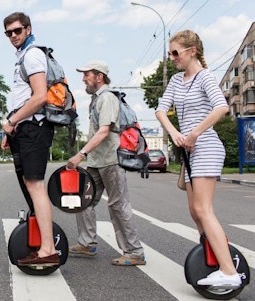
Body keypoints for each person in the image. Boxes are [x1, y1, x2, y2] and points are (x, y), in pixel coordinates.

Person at [156, 30, 241, 287]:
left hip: (205, 147)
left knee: (204, 209)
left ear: (192, 51)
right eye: (170, 53)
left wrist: (193, 134)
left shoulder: (205, 77)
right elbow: (160, 110)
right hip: (189, 150)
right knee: (195, 211)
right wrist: (175, 134)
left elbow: (222, 107)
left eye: (175, 53)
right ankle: (216, 253)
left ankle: (229, 272)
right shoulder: (176, 80)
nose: (172, 58)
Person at [66, 61, 146, 266]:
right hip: (96, 161)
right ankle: (87, 243)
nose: (83, 78)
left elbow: (104, 131)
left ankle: (134, 252)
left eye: (87, 74)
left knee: (118, 205)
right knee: (83, 200)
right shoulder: (97, 99)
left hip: (111, 160)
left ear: (99, 76)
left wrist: (80, 154)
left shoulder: (108, 98)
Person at [1, 12, 59, 267]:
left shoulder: (33, 54)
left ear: (28, 29)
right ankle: (44, 243)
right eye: (9, 32)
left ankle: (48, 249)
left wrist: (12, 121)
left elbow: (39, 97)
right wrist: (10, 128)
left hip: (35, 128)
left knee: (36, 186)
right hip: (25, 128)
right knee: (31, 185)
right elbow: (24, 99)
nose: (13, 35)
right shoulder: (21, 57)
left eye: (17, 30)